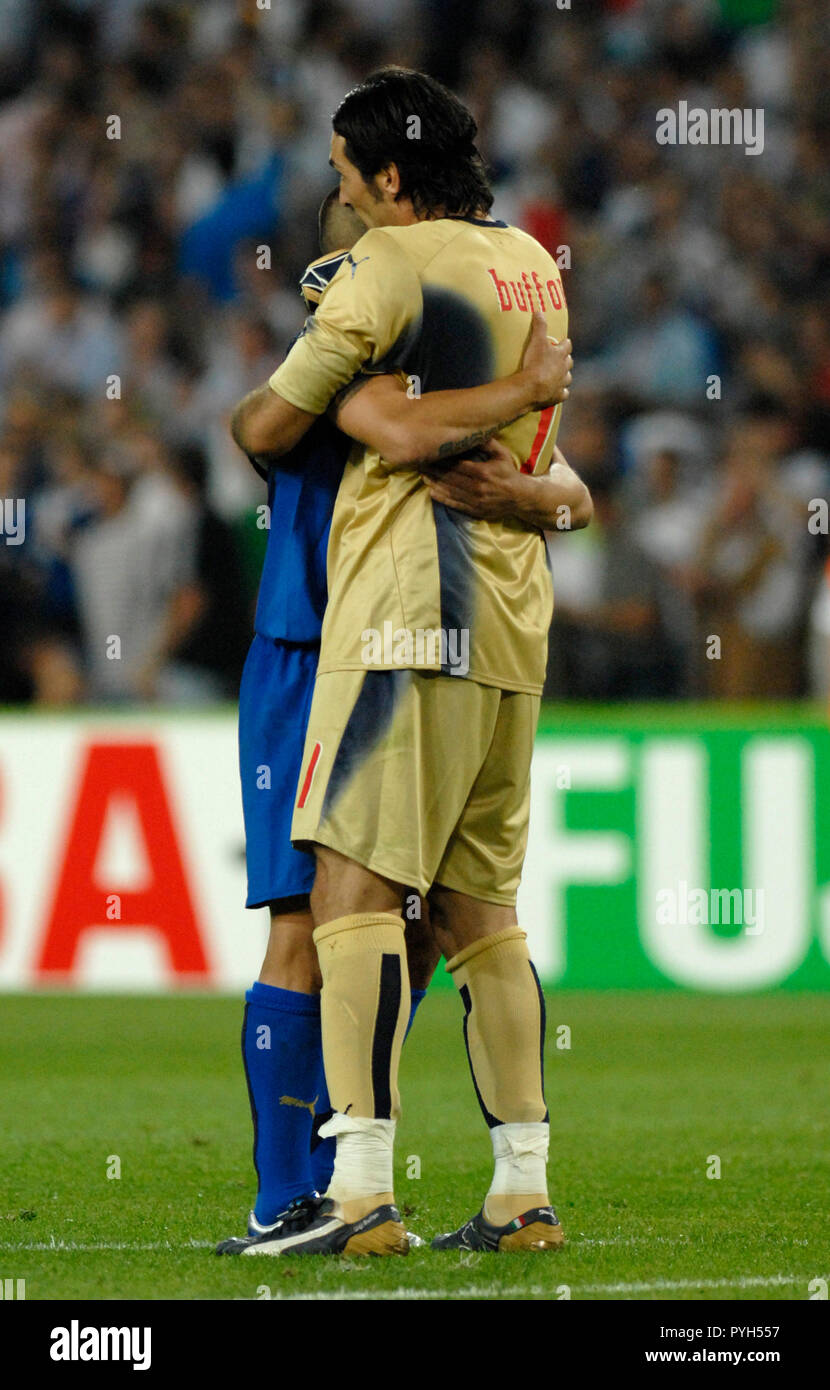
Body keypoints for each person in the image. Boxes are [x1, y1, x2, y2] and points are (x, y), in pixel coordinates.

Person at [224, 66, 588, 1260]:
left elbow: (284, 424)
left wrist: (290, 401)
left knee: (349, 893)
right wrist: (538, 467)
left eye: (343, 178)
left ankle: (359, 1189)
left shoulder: (383, 270)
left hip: (400, 617)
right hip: (512, 624)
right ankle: (519, 1190)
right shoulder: (532, 261)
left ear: (387, 176)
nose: (341, 201)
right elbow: (554, 464)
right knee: (483, 910)